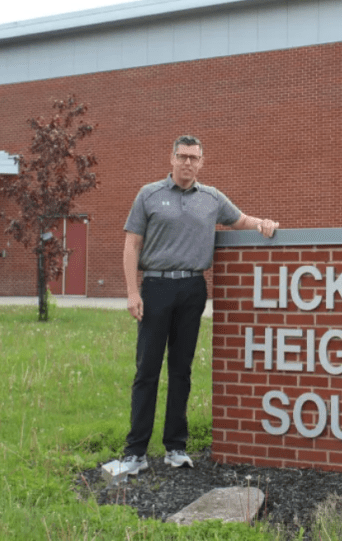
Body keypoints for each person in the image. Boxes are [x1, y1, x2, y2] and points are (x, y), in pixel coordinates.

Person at [116, 135, 279, 475]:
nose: (187, 162)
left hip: (193, 288)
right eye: (182, 156)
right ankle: (135, 452)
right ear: (172, 159)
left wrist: (262, 223)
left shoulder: (211, 198)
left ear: (201, 162)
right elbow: (132, 244)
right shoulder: (149, 195)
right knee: (147, 370)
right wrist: (132, 292)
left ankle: (175, 447)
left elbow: (240, 220)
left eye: (193, 157)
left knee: (181, 370)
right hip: (157, 287)